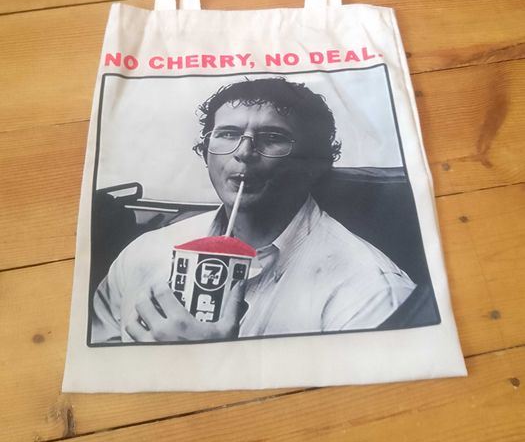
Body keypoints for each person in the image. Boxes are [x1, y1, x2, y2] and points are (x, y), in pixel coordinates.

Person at [91, 77, 416, 343]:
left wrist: (210, 363)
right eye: (228, 134)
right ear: (206, 153)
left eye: (273, 137)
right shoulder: (145, 253)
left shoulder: (371, 291)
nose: (245, 152)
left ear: (313, 164)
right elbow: (101, 345)